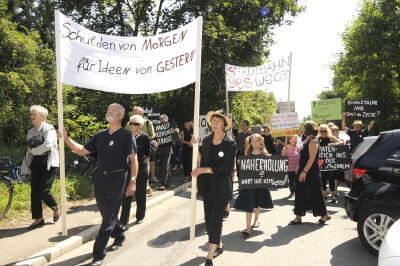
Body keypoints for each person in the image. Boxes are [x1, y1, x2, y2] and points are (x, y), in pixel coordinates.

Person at [61, 103, 138, 266]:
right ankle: (119, 233)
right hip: (101, 177)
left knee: (109, 215)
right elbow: (82, 150)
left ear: (121, 116)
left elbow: (133, 160)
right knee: (106, 213)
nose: (109, 111)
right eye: (108, 109)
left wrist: (132, 181)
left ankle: (98, 254)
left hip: (119, 177)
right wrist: (66, 138)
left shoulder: (126, 135)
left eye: (113, 110)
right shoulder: (100, 135)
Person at [191, 111, 236, 266]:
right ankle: (218, 244)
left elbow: (226, 170)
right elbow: (201, 162)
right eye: (213, 121)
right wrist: (196, 147)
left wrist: (204, 170)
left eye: (218, 121)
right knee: (208, 219)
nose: (215, 123)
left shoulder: (230, 143)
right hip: (207, 185)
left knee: (216, 219)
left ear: (224, 124)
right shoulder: (208, 140)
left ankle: (210, 254)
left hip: (221, 186)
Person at [24, 105, 60, 230]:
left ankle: (55, 206)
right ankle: (38, 218)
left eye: (34, 114)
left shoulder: (49, 129)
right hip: (36, 162)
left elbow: (48, 145)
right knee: (34, 191)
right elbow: (29, 148)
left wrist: (33, 151)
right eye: (31, 114)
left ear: (42, 117)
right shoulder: (30, 131)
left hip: (48, 162)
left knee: (43, 190)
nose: (32, 117)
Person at [289, 121, 331, 225]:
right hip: (304, 170)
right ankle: (298, 216)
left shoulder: (313, 141)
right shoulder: (307, 139)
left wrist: (304, 172)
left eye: (304, 127)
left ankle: (324, 215)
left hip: (310, 172)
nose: (302, 129)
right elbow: (305, 156)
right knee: (300, 192)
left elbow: (312, 158)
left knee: (315, 193)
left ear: (308, 129)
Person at [234, 133, 273, 236]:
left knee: (257, 203)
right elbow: (245, 168)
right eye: (252, 141)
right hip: (249, 183)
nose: (254, 143)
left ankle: (256, 220)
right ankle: (247, 228)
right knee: (248, 204)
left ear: (261, 142)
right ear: (250, 143)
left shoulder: (265, 155)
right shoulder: (248, 154)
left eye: (257, 141)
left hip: (260, 184)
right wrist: (240, 162)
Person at [120, 115, 151, 230]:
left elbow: (147, 154)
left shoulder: (145, 137)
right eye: (132, 123)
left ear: (141, 126)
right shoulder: (125, 136)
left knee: (140, 193)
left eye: (136, 123)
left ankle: (140, 216)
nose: (133, 125)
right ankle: (124, 221)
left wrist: (136, 158)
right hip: (127, 168)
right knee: (127, 194)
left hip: (141, 168)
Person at [131, 106, 155, 196]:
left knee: (143, 175)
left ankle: (146, 188)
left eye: (140, 113)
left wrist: (143, 137)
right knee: (133, 175)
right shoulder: (129, 122)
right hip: (131, 155)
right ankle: (134, 193)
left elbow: (152, 135)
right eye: (136, 113)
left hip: (143, 154)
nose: (138, 115)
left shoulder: (148, 122)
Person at [317, 124, 344, 202]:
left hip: (330, 160)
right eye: (321, 131)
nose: (323, 132)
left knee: (331, 177)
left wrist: (334, 144)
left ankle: (332, 194)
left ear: (327, 131)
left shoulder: (331, 137)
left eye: (324, 131)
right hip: (321, 160)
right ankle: (324, 193)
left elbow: (342, 143)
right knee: (322, 177)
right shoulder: (318, 138)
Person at [155, 114, 179, 189]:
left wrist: (176, 131)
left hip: (168, 147)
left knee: (165, 165)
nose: (161, 120)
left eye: (162, 119)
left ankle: (163, 184)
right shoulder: (158, 128)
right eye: (160, 119)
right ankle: (167, 182)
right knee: (162, 165)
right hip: (160, 148)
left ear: (166, 119)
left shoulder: (171, 126)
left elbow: (176, 138)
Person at [330, 125, 347, 202]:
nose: (334, 132)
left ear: (338, 131)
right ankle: (332, 191)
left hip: (338, 160)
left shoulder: (341, 139)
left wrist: (336, 144)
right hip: (330, 161)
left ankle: (335, 189)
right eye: (332, 131)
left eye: (335, 130)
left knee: (337, 176)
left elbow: (343, 144)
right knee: (331, 177)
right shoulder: (329, 139)